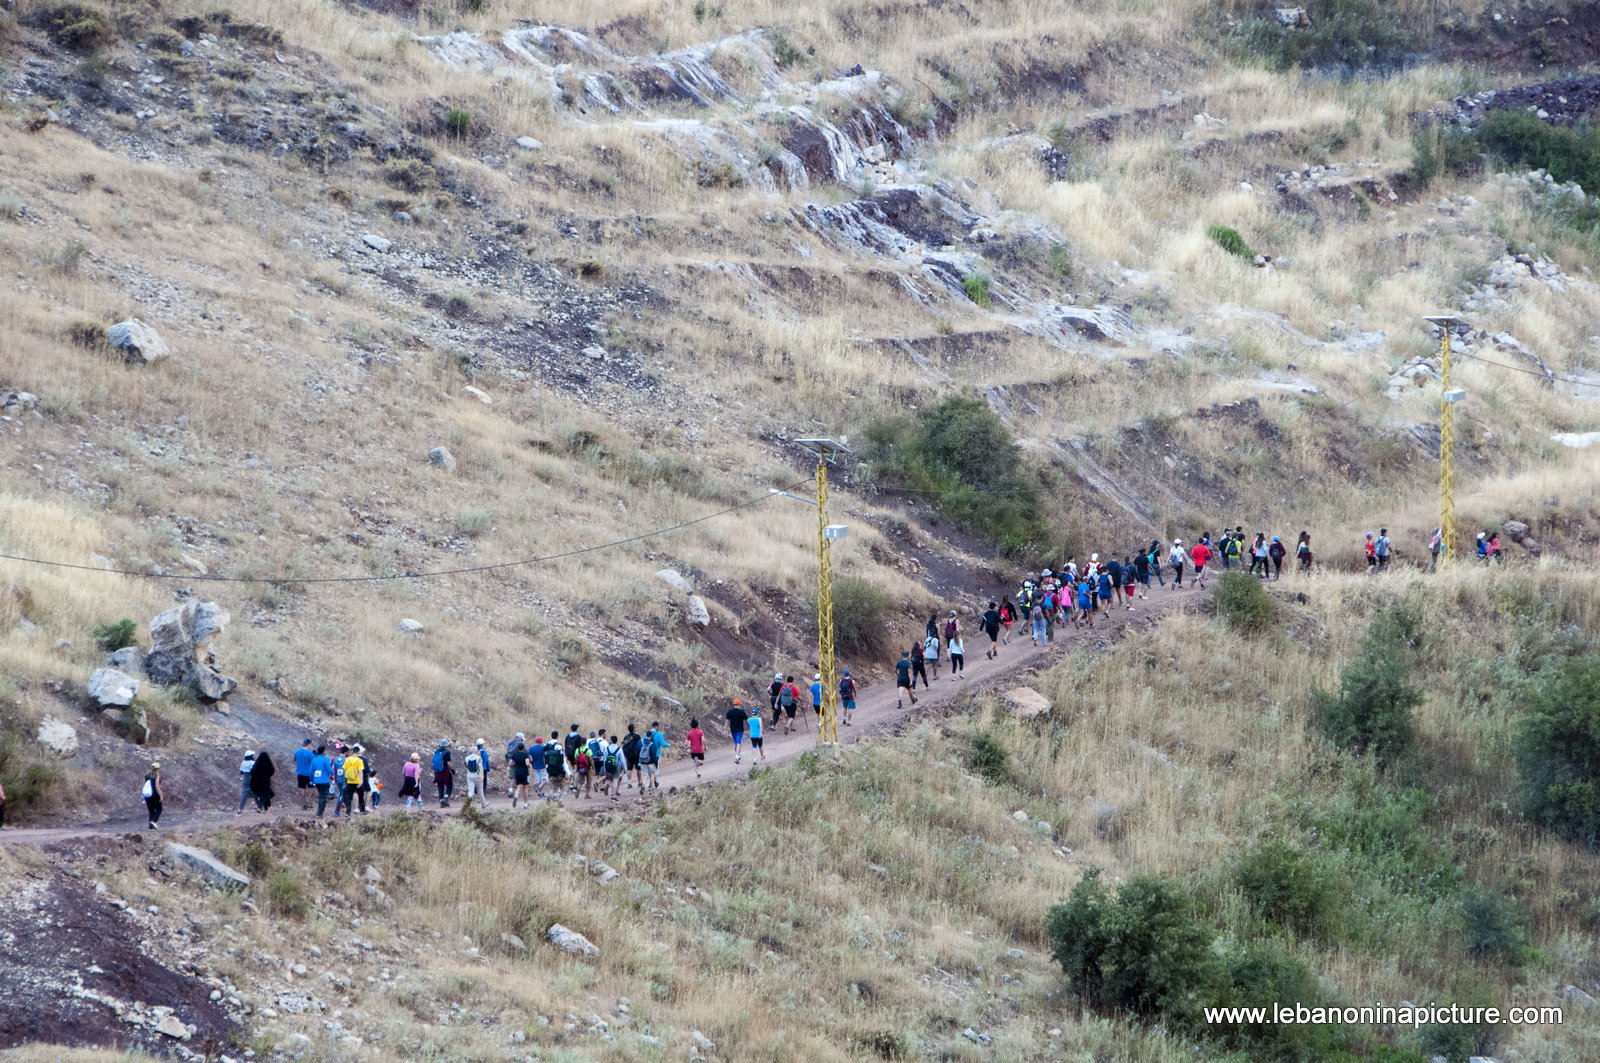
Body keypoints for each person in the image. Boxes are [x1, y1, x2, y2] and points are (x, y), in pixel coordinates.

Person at [342, 745, 368, 815]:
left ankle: (348, 812)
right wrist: (361, 781)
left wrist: (345, 779)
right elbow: (360, 771)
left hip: (350, 780)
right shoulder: (359, 760)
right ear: (358, 752)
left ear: (352, 751)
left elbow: (344, 769)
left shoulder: (347, 759)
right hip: (357, 780)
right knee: (361, 795)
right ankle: (362, 810)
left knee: (349, 796)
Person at [464, 739, 489, 807]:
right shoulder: (478, 758)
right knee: (480, 791)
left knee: (470, 791)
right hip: (477, 776)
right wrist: (482, 775)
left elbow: (465, 766)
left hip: (469, 776)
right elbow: (481, 767)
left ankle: (467, 805)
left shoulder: (467, 758)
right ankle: (483, 804)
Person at [311, 745, 333, 817]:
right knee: (323, 797)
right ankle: (319, 813)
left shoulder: (314, 760)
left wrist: (312, 780)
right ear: (323, 751)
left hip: (317, 781)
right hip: (324, 781)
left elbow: (311, 771)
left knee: (321, 796)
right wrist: (333, 775)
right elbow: (330, 770)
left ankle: (319, 812)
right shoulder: (326, 760)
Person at [508, 740, 531, 808]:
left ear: (517, 748)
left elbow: (510, 763)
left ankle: (516, 796)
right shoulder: (525, 754)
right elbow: (527, 763)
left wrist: (515, 763)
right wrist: (529, 765)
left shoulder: (514, 754)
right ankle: (525, 804)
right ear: (523, 748)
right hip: (524, 772)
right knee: (525, 788)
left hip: (517, 771)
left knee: (518, 786)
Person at [293, 738, 314, 810]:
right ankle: (308, 801)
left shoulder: (297, 752)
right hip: (309, 774)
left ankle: (304, 803)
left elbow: (295, 760)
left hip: (300, 772)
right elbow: (313, 763)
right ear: (308, 744)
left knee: (302, 788)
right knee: (312, 787)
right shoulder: (310, 753)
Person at [601, 733, 623, 800]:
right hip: (616, 766)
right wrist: (625, 768)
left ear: (611, 741)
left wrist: (605, 768)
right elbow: (622, 760)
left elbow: (604, 759)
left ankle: (605, 785)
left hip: (608, 766)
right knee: (615, 781)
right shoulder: (619, 749)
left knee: (608, 779)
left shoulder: (606, 749)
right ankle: (613, 796)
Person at [544, 733, 567, 798]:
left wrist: (546, 766)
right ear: (557, 736)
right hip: (558, 768)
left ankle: (552, 796)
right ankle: (560, 799)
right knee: (562, 785)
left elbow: (545, 757)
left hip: (550, 768)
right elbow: (562, 759)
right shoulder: (558, 746)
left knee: (553, 785)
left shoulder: (546, 745)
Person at [726, 699, 748, 764]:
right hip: (740, 730)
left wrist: (725, 728)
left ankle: (737, 756)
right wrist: (750, 726)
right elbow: (746, 720)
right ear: (738, 704)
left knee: (736, 743)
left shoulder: (729, 711)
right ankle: (737, 756)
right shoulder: (742, 712)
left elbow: (726, 720)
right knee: (738, 743)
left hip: (733, 730)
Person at [431, 740, 453, 807]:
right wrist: (451, 770)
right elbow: (449, 763)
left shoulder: (436, 752)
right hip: (445, 772)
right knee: (449, 785)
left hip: (437, 772)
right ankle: (446, 798)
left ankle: (441, 803)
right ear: (445, 745)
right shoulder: (447, 753)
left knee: (440, 787)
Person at [621, 724, 643, 792]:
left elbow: (623, 746)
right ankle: (639, 782)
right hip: (636, 754)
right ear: (634, 729)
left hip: (628, 755)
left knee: (629, 769)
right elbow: (640, 745)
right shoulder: (637, 736)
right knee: (638, 768)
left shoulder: (626, 737)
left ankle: (629, 783)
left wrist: (625, 754)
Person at [236, 750, 257, 815]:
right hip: (251, 779)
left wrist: (242, 778)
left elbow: (241, 772)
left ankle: (239, 808)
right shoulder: (252, 762)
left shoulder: (243, 762)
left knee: (244, 794)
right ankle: (261, 807)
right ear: (251, 756)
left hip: (245, 779)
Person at [143, 762, 163, 830]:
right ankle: (154, 821)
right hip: (154, 794)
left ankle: (150, 828)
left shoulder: (146, 775)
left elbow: (145, 785)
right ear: (158, 769)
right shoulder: (156, 775)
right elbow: (157, 786)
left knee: (151, 811)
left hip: (147, 795)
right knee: (159, 809)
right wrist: (161, 795)